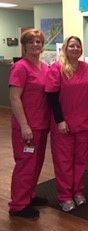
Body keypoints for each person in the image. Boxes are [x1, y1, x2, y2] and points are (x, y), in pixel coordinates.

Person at [46, 36, 88, 212]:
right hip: (64, 124)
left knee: (81, 160)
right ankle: (65, 196)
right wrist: (60, 120)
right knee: (64, 161)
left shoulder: (86, 68)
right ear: (66, 48)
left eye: (78, 46)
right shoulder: (57, 68)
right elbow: (51, 96)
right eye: (71, 46)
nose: (75, 49)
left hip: (83, 122)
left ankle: (78, 191)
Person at [8, 29, 50, 219]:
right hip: (26, 127)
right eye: (31, 42)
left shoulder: (45, 67)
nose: (36, 45)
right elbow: (15, 99)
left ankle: (29, 195)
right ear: (24, 45)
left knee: (36, 163)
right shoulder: (20, 67)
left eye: (39, 41)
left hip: (41, 125)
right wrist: (24, 126)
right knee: (25, 164)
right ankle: (18, 205)